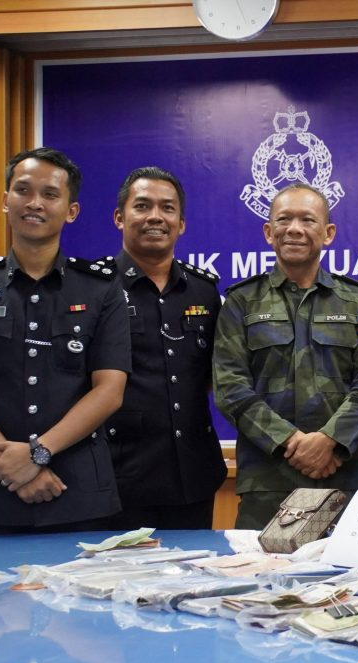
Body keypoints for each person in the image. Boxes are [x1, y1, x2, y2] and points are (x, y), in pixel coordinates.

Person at [0, 147, 131, 535]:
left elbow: (109, 391)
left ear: (71, 210)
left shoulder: (101, 289)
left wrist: (38, 453)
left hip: (76, 489)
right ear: (6, 201)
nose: (35, 203)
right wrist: (14, 468)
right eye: (23, 190)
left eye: (50, 194)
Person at [213, 183, 358, 529]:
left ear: (328, 233)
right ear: (268, 232)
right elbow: (230, 387)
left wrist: (330, 443)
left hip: (343, 478)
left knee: (349, 581)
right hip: (267, 482)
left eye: (307, 220)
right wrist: (292, 444)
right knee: (262, 580)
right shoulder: (240, 302)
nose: (294, 229)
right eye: (283, 220)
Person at [100, 167, 226, 530]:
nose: (156, 216)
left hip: (192, 476)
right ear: (120, 217)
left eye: (167, 208)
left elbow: (211, 375)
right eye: (143, 206)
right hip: (119, 476)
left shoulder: (204, 291)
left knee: (193, 583)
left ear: (181, 223)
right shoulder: (95, 289)